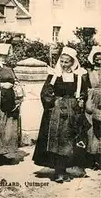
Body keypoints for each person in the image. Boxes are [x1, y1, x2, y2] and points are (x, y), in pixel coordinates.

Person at [33, 46, 89, 183]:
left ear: (73, 62)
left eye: (67, 62)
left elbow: (83, 93)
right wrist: (54, 102)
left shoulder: (79, 77)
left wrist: (81, 100)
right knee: (57, 143)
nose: (63, 64)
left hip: (73, 113)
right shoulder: (54, 76)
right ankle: (58, 172)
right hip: (57, 114)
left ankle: (64, 170)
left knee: (70, 142)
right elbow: (45, 93)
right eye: (62, 61)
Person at [85, 46, 101, 169]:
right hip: (92, 101)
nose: (99, 60)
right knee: (92, 130)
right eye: (96, 58)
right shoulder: (89, 72)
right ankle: (92, 159)